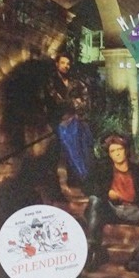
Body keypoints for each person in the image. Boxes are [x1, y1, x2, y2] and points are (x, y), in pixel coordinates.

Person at [83, 135, 139, 272]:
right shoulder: (103, 169)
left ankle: (138, 258)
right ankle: (91, 250)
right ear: (109, 154)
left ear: (126, 151)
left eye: (120, 149)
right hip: (111, 209)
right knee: (94, 200)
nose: (117, 153)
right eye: (113, 151)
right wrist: (107, 192)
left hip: (132, 210)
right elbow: (87, 187)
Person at [43, 53, 93, 187]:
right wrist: (74, 103)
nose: (66, 66)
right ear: (57, 64)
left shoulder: (75, 82)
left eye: (68, 64)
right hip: (59, 120)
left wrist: (77, 107)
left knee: (83, 143)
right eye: (63, 63)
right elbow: (56, 101)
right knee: (65, 147)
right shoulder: (51, 82)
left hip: (76, 119)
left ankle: (80, 178)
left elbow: (85, 98)